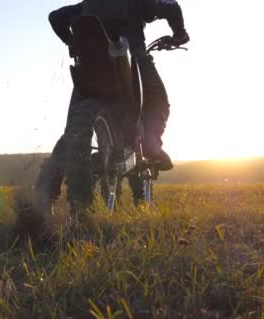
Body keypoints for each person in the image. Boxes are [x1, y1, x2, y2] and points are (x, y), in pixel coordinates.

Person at [36, 0, 189, 215]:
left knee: (71, 132)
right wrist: (179, 33)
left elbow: (55, 17)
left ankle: (43, 197)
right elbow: (171, 7)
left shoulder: (86, 5)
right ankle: (153, 143)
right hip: (129, 62)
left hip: (89, 71)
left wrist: (71, 42)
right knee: (158, 101)